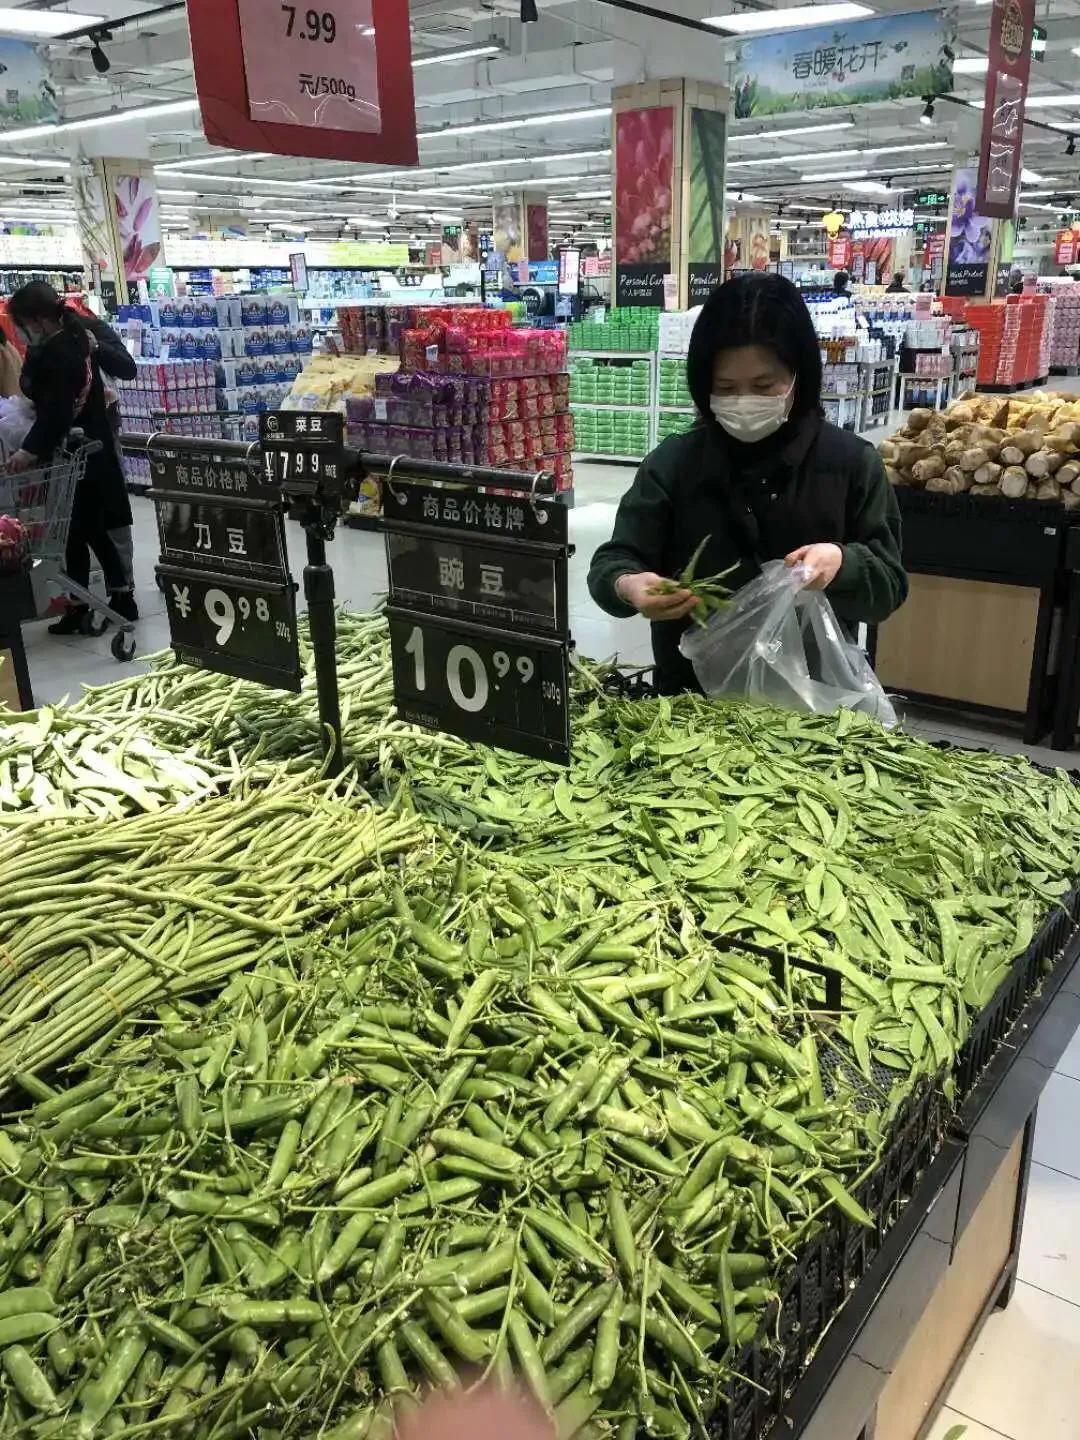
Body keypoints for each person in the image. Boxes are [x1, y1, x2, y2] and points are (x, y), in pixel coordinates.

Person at [588, 273, 908, 694]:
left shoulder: (850, 464)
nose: (744, 401)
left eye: (763, 386)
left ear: (799, 376)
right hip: (691, 703)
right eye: (725, 388)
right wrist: (629, 585)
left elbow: (888, 585)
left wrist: (842, 563)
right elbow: (613, 562)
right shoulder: (674, 465)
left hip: (814, 707)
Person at [4, 283, 138, 632]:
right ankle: (88, 604)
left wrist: (26, 451)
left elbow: (57, 412)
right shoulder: (54, 343)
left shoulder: (64, 349)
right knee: (80, 531)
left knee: (88, 528)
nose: (18, 331)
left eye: (19, 323)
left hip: (80, 452)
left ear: (37, 319)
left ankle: (115, 599)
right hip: (74, 453)